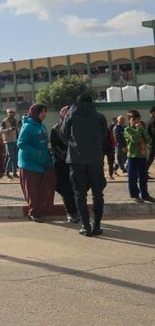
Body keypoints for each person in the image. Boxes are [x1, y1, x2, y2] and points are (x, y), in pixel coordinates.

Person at [61, 95, 109, 236]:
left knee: (79, 194)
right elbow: (104, 136)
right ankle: (97, 226)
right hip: (95, 160)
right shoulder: (100, 117)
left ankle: (86, 226)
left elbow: (63, 133)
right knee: (98, 194)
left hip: (76, 160)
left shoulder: (70, 115)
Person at [17, 104, 54, 222]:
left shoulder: (41, 126)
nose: (44, 114)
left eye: (45, 111)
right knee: (32, 190)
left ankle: (41, 211)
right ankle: (33, 213)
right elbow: (21, 143)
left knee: (42, 189)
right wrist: (36, 153)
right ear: (35, 113)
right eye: (41, 112)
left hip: (42, 162)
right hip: (29, 163)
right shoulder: (27, 126)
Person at [49, 107, 79, 224]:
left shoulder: (76, 128)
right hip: (62, 164)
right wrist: (67, 156)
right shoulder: (55, 129)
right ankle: (70, 212)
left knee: (76, 188)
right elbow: (54, 146)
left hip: (75, 163)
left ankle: (77, 211)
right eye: (66, 114)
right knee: (66, 189)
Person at [124, 109, 153, 203]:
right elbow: (135, 139)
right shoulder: (127, 130)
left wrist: (142, 130)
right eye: (134, 119)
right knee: (132, 177)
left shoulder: (141, 129)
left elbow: (149, 140)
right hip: (132, 157)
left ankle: (145, 195)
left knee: (143, 177)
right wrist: (139, 129)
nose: (136, 121)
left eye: (138, 119)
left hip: (142, 156)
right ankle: (135, 195)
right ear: (129, 119)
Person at [1, 108, 20, 178]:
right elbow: (1, 131)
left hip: (15, 140)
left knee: (15, 157)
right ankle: (7, 172)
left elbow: (18, 131)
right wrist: (8, 129)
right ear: (7, 113)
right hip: (8, 141)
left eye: (12, 112)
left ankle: (14, 173)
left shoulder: (16, 121)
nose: (11, 113)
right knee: (11, 157)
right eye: (10, 112)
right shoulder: (4, 121)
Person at [113, 116, 128, 180]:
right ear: (118, 120)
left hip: (125, 146)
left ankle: (114, 169)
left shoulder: (124, 127)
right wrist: (122, 147)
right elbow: (117, 139)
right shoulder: (116, 128)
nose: (123, 121)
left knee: (124, 159)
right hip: (120, 146)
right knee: (120, 158)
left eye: (123, 120)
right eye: (121, 120)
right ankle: (124, 170)